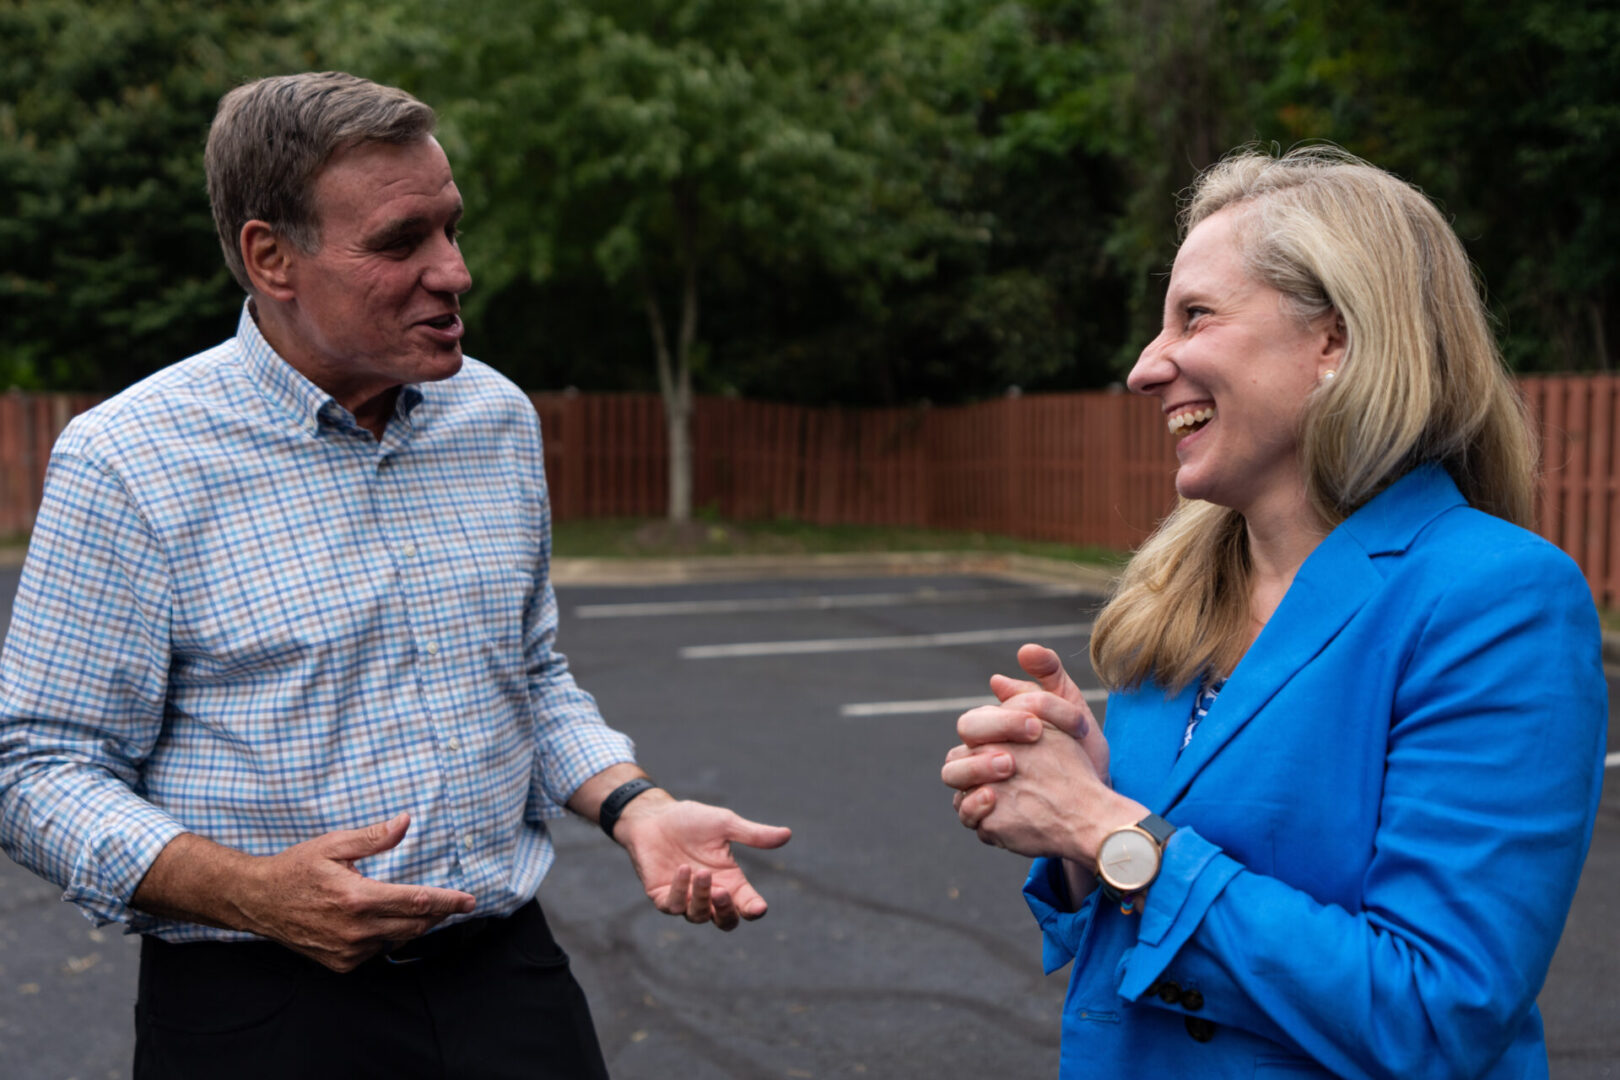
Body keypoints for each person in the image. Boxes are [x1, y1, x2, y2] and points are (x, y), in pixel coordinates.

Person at [0, 71, 790, 1079]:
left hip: (507, 981)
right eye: (400, 241)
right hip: (260, 1014)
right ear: (271, 257)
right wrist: (251, 892)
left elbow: (529, 675)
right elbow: (39, 767)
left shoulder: (492, 418)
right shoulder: (129, 461)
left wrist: (638, 806)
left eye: (452, 229)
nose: (453, 272)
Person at [940, 145, 1607, 1079]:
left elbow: (1434, 1014)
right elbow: (1135, 919)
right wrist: (1077, 822)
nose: (1144, 367)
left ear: (1334, 340)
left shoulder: (1493, 598)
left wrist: (1110, 830)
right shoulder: (1174, 596)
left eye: (1195, 317)